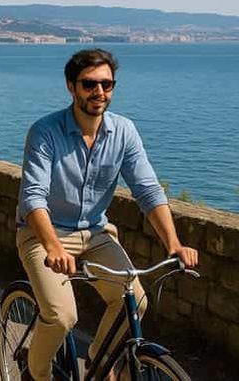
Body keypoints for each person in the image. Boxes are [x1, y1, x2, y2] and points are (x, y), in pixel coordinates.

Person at [16, 49, 198, 381]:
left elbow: (148, 190)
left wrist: (173, 243)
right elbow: (32, 198)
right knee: (60, 315)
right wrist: (53, 247)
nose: (99, 92)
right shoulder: (45, 132)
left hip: (96, 234)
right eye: (90, 84)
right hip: (45, 236)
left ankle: (100, 362)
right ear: (71, 86)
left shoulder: (124, 132)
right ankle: (35, 371)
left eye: (107, 84)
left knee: (136, 301)